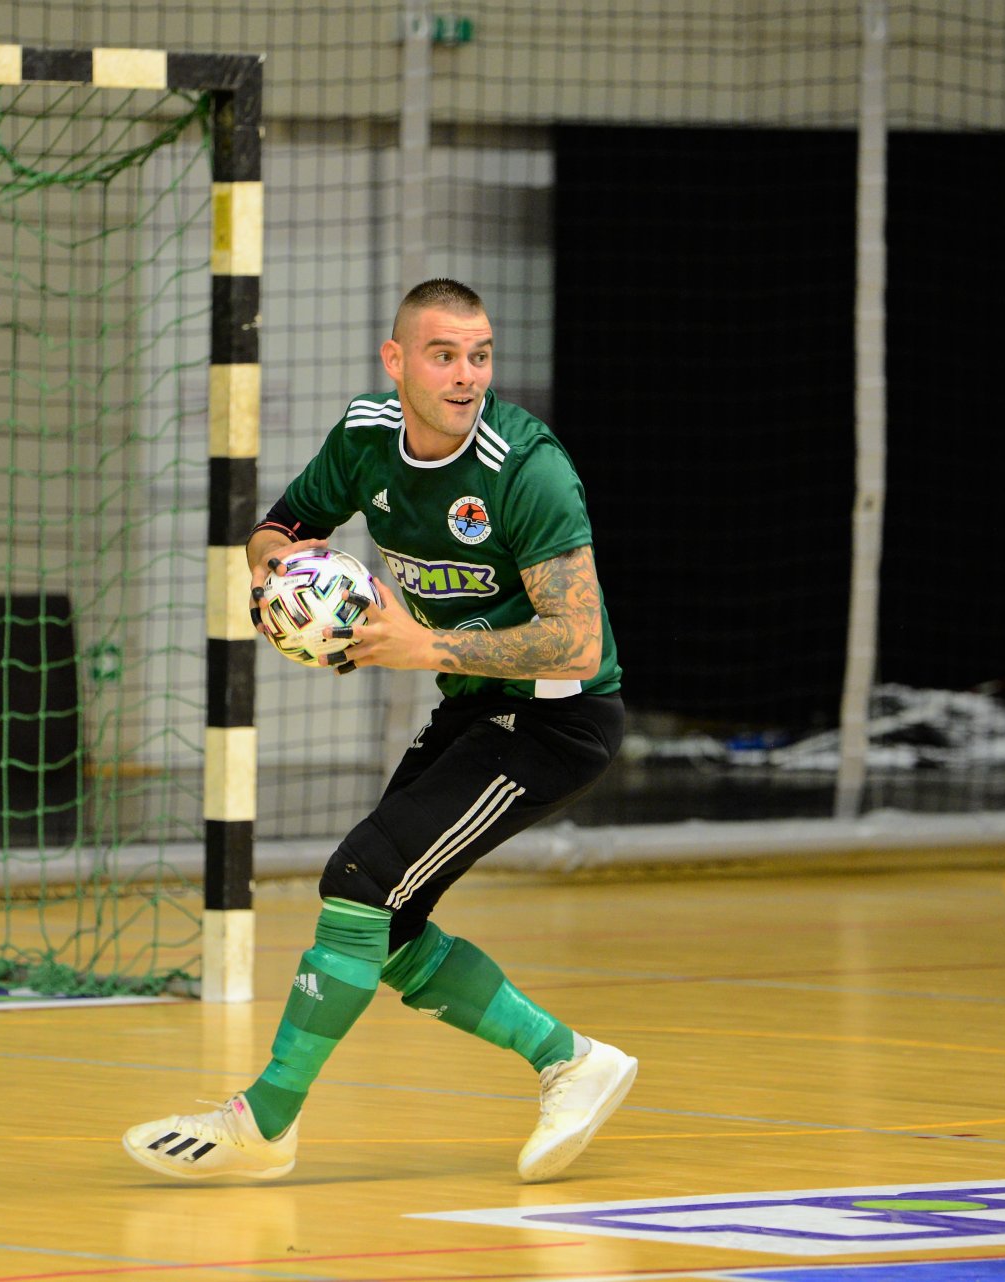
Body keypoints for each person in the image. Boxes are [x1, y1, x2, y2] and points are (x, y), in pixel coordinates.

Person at [125, 279, 633, 1184]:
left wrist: (418, 642)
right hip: (479, 706)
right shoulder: (366, 436)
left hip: (557, 718)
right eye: (444, 355)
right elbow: (279, 528)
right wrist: (282, 582)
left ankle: (264, 1122)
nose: (467, 374)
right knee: (386, 924)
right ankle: (571, 1061)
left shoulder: (528, 468)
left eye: (480, 355)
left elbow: (578, 636)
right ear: (397, 361)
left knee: (360, 875)